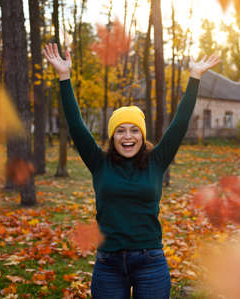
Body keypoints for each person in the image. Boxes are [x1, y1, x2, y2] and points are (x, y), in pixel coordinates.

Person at [43, 43, 219, 299]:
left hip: (150, 263)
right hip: (109, 264)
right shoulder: (99, 162)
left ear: (142, 135)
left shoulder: (157, 160)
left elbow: (179, 124)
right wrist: (64, 77)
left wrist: (194, 78)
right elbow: (76, 125)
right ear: (113, 136)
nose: (128, 136)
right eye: (121, 130)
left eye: (134, 130)